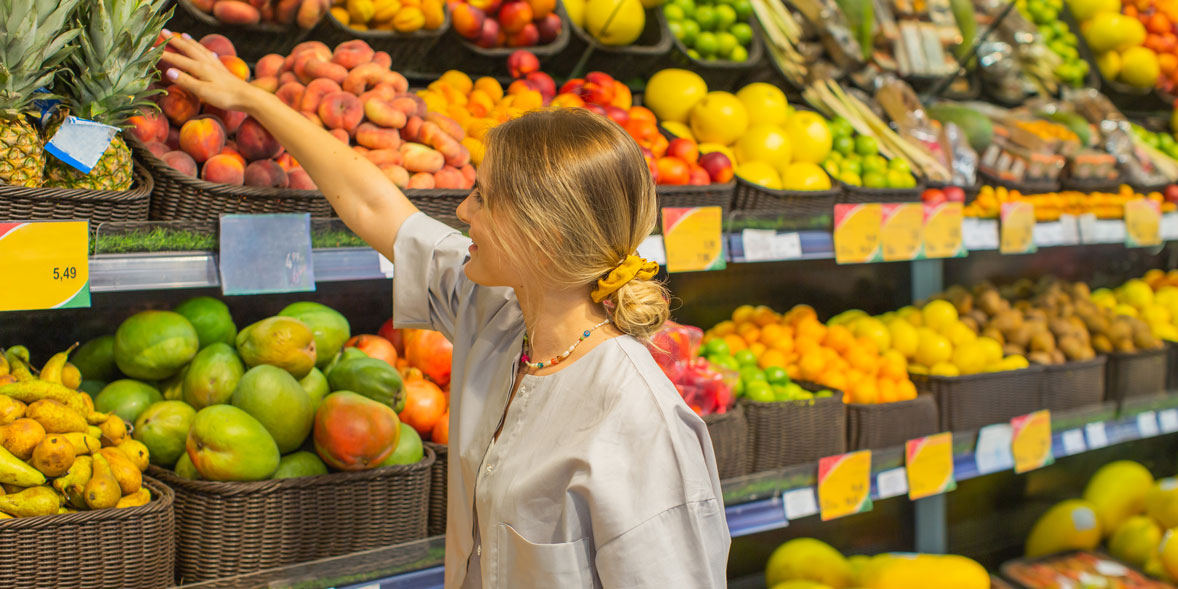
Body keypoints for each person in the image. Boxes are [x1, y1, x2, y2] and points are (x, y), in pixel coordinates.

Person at [160, 33, 730, 588]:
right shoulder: (497, 316)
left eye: (482, 197)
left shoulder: (640, 423)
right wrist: (251, 97)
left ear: (543, 235)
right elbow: (373, 203)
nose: (461, 209)